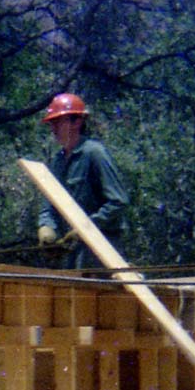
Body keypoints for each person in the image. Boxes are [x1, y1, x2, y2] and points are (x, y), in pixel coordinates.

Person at [36, 93, 130, 270]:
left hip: (102, 254)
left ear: (77, 122)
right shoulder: (58, 161)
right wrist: (46, 227)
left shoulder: (94, 153)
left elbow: (118, 201)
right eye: (51, 124)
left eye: (58, 122)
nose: (53, 129)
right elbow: (49, 205)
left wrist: (86, 227)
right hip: (73, 254)